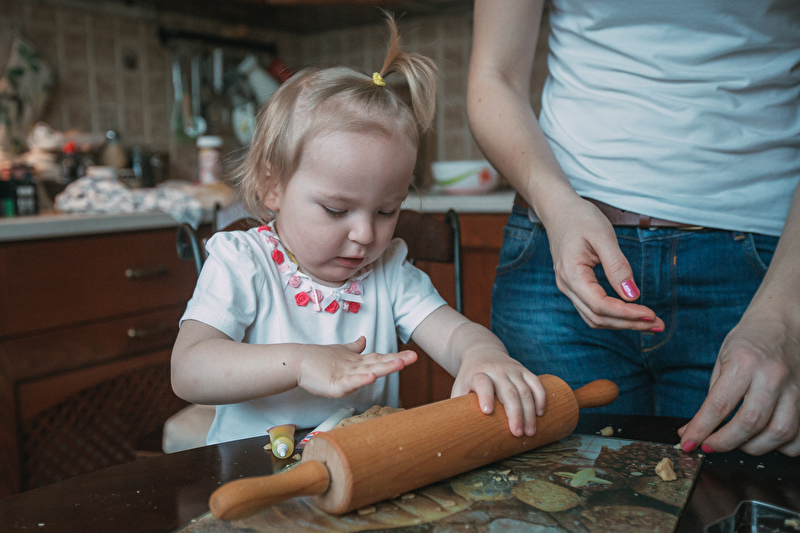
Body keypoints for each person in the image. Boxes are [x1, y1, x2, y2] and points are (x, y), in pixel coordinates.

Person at [171, 14, 545, 446]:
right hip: (255, 476)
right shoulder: (242, 263)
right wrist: (300, 363)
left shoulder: (388, 272)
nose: (366, 234)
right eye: (336, 210)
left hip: (367, 469)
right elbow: (188, 369)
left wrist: (483, 354)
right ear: (273, 187)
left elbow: (456, 334)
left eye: (387, 211)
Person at [467, 0, 799, 456]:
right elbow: (494, 76)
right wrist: (559, 206)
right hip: (559, 258)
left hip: (766, 274)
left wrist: (786, 315)